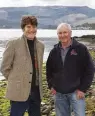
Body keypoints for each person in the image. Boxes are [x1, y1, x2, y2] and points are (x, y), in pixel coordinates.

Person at [46, 23, 94, 116]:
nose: (62, 35)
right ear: (57, 35)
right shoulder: (54, 51)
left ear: (70, 33)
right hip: (59, 93)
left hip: (76, 92)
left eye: (65, 32)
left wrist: (82, 89)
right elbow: (49, 70)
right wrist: (51, 86)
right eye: (60, 33)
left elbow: (90, 70)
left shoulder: (81, 49)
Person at [0, 15, 44, 116]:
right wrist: (15, 80)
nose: (31, 30)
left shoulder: (41, 45)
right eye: (28, 27)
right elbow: (4, 67)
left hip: (36, 92)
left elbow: (39, 69)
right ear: (23, 28)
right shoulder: (13, 44)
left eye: (34, 27)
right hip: (18, 92)